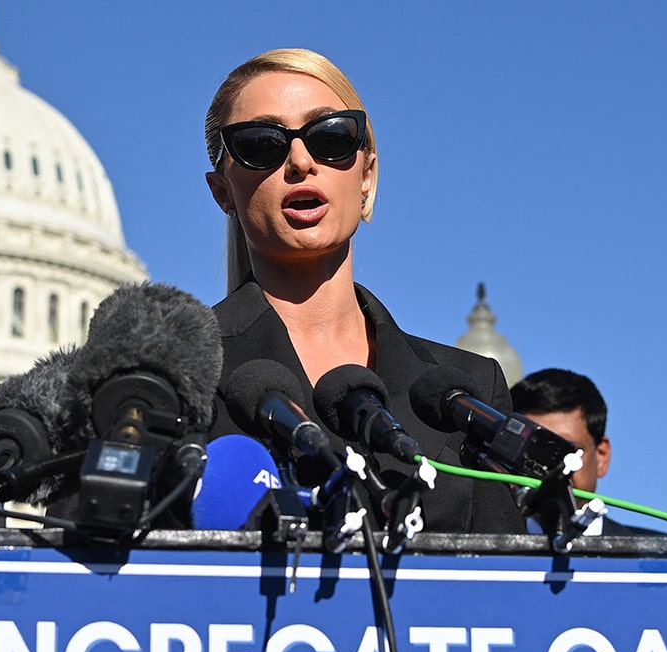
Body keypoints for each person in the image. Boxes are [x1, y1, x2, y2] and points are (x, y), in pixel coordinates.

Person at [202, 48, 524, 535]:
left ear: (367, 174)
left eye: (331, 136)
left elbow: (507, 588)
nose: (300, 161)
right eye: (261, 144)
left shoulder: (471, 387)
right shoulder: (181, 373)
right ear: (223, 191)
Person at [510, 367, 666, 535]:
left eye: (568, 451)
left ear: (602, 456)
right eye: (535, 450)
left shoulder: (664, 557)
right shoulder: (480, 555)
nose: (550, 466)